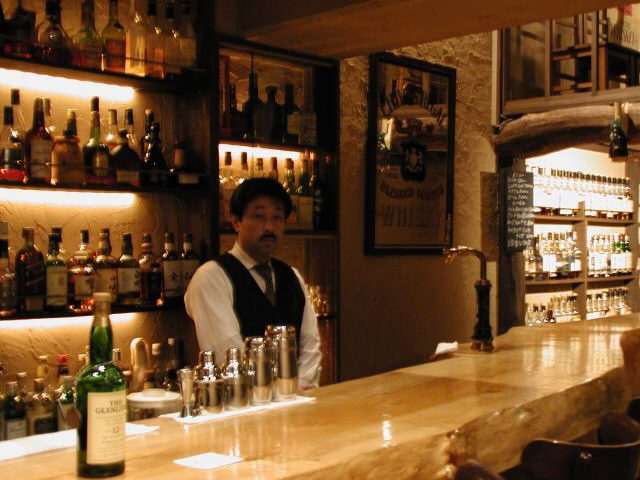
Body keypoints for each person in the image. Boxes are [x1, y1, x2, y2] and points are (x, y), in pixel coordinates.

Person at [184, 177, 321, 389]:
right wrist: (275, 395)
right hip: (239, 403)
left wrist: (295, 393)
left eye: (277, 217)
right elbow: (228, 355)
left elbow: (310, 346)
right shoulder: (211, 277)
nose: (269, 227)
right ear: (236, 222)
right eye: (259, 217)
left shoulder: (291, 275)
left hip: (295, 400)